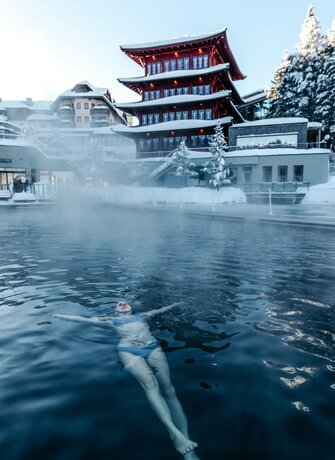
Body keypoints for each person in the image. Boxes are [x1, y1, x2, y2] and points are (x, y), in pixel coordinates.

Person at [54, 301, 200, 459]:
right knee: (151, 386)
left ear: (131, 308)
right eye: (119, 304)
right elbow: (82, 319)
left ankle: (187, 444)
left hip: (152, 346)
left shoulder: (143, 315)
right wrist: (60, 316)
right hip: (129, 351)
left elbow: (161, 309)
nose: (122, 303)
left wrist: (177, 303)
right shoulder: (110, 320)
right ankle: (175, 433)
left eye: (125, 303)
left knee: (169, 389)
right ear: (116, 310)